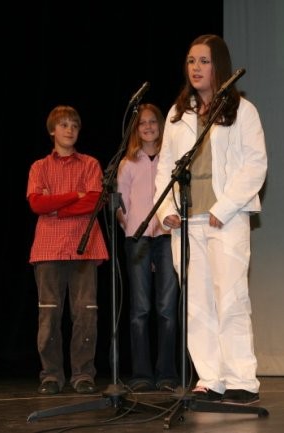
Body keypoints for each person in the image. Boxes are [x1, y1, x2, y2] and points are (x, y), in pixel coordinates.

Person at [154, 34, 267, 405]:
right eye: (190, 61)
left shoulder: (242, 111)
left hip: (225, 218)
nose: (196, 68)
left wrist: (224, 207)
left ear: (218, 65)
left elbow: (255, 165)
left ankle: (241, 379)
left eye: (203, 61)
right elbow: (166, 167)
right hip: (187, 222)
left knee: (231, 298)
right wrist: (166, 210)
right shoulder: (177, 114)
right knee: (197, 304)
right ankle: (210, 377)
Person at [27, 105, 108, 395]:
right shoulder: (39, 167)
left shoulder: (90, 164)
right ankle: (50, 375)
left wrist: (57, 207)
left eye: (74, 125)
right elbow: (37, 204)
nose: (70, 130)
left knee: (86, 313)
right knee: (49, 313)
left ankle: (83, 374)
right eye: (64, 125)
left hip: (84, 247)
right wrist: (75, 195)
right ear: (52, 131)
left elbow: (95, 201)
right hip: (48, 249)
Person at [116, 103, 180, 392]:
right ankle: (141, 374)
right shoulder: (128, 162)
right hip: (138, 240)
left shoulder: (172, 161)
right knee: (140, 309)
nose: (148, 127)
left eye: (153, 121)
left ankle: (166, 373)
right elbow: (121, 203)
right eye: (142, 123)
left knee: (167, 309)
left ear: (161, 126)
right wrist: (130, 226)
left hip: (167, 237)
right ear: (136, 129)